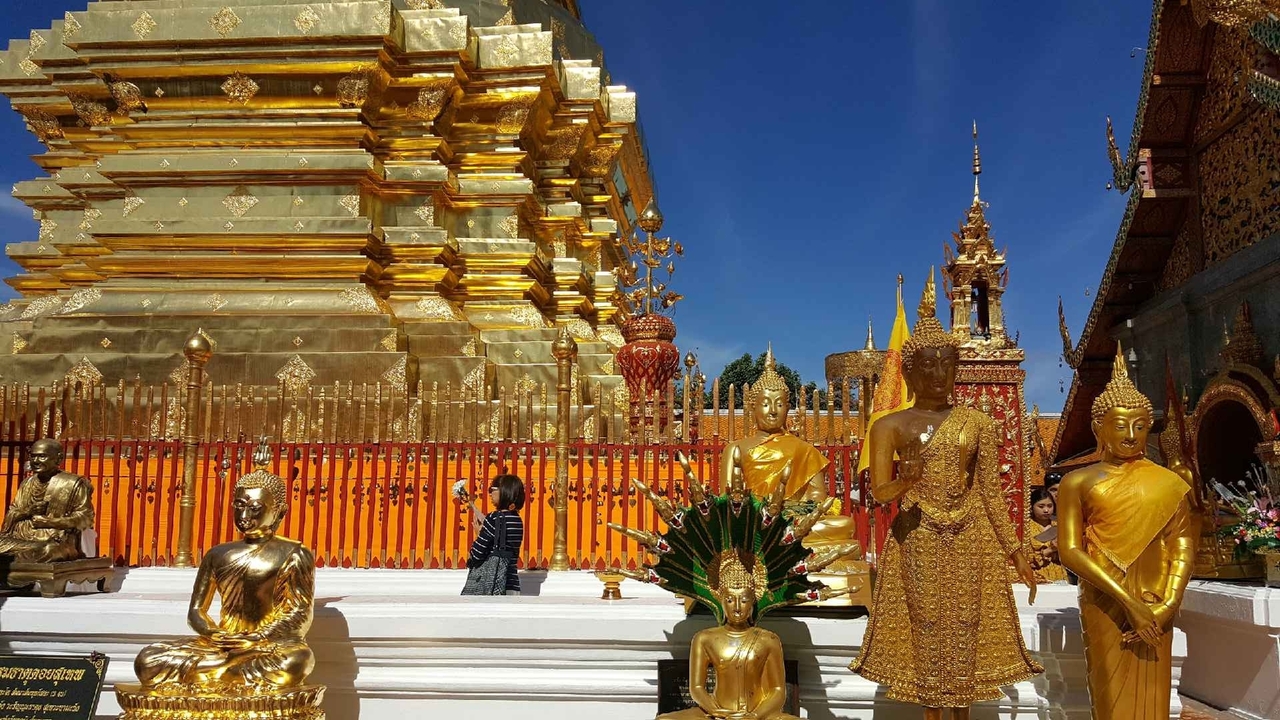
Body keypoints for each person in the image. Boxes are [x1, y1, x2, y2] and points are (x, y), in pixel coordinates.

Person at [851, 269, 1041, 719]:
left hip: (970, 538)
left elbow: (991, 493)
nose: (938, 373)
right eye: (928, 365)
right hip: (917, 538)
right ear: (910, 371)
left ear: (957, 368)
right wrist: (908, 480)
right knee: (927, 632)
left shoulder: (977, 423)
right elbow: (880, 493)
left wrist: (1017, 553)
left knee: (967, 630)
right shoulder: (889, 426)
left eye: (946, 364)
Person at [1057, 345, 1196, 720]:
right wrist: (1128, 603)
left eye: (1140, 425)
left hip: (1156, 599)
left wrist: (1166, 605)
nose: (1131, 435)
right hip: (1106, 599)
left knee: (1153, 695)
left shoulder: (1169, 482)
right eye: (1119, 425)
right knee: (1109, 693)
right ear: (1097, 427)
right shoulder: (1077, 482)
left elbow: (1181, 543)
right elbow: (1069, 551)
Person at [134, 444, 316, 690]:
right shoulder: (218, 554)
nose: (244, 515)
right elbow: (197, 611)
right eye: (239, 505)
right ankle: (227, 668)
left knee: (297, 662)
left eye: (255, 508)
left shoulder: (294, 553)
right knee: (148, 660)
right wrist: (214, 635)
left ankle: (218, 671)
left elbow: (298, 614)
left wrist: (258, 638)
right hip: (223, 643)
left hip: (267, 645)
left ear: (280, 512)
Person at [0, 438, 95, 564]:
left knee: (49, 550)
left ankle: (17, 560)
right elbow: (12, 514)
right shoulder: (27, 483)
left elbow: (86, 519)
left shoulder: (73, 483)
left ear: (58, 459)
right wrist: (27, 512)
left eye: (42, 457)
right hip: (22, 538)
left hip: (53, 540)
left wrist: (51, 522)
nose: (36, 461)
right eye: (33, 457)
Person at [462, 474, 525, 596]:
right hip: (511, 583)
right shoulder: (517, 520)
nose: (490, 494)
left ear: (504, 491)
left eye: (492, 490)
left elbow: (477, 554)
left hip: (491, 584)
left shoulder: (494, 518)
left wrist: (478, 534)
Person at [1028, 488, 1067, 584]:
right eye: (1041, 506)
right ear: (1031, 507)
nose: (1046, 510)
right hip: (1037, 575)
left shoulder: (1060, 526)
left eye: (1050, 506)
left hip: (1060, 575)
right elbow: (1024, 559)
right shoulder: (1025, 528)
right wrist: (1050, 550)